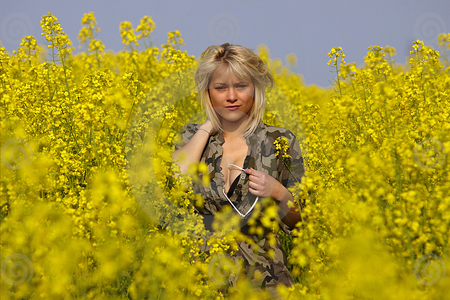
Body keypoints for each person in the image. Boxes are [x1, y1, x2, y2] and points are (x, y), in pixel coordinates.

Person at [171, 43, 306, 296]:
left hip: (264, 280)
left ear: (255, 89)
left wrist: (277, 191)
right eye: (220, 88)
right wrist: (208, 126)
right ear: (208, 92)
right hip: (203, 280)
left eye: (241, 86)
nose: (231, 96)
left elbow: (299, 220)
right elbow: (178, 176)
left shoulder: (281, 141)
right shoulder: (193, 137)